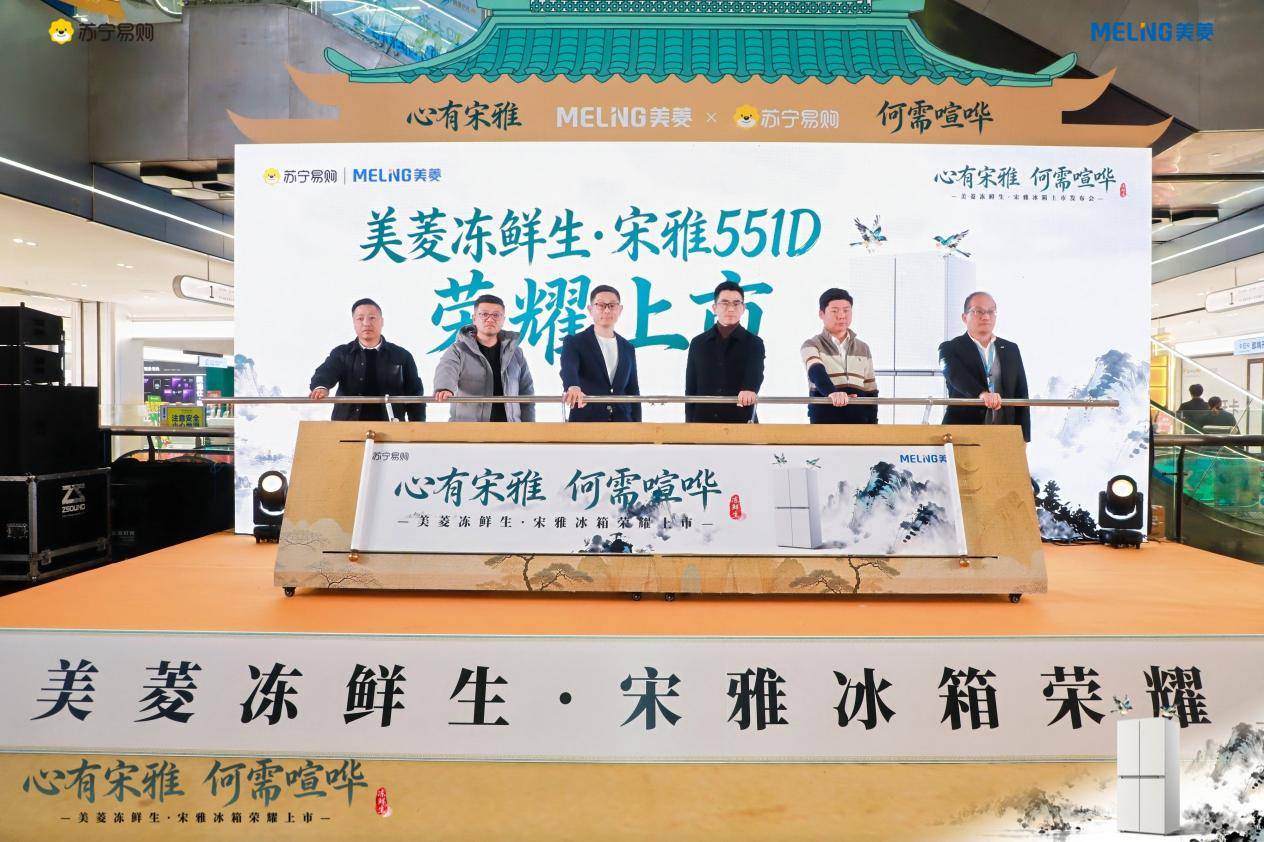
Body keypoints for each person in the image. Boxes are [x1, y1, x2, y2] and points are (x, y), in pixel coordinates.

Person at [308, 298, 424, 422]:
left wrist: (417, 427)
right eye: (360, 318)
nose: (366, 323)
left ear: (382, 321)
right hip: (347, 426)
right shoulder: (342, 353)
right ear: (354, 323)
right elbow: (326, 371)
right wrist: (321, 387)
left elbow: (415, 395)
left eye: (372, 318)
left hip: (391, 426)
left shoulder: (401, 355)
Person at [939, 291, 1030, 442]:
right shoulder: (949, 348)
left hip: (1004, 433)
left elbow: (1021, 392)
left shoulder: (1011, 349)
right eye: (978, 311)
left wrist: (1024, 437)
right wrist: (981, 394)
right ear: (964, 317)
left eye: (991, 311)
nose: (986, 316)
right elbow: (955, 375)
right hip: (962, 431)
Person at [433, 294, 534, 421]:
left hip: (510, 428)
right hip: (469, 428)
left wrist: (529, 427)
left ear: (503, 320)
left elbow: (526, 393)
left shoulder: (516, 353)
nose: (490, 319)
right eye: (484, 314)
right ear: (474, 318)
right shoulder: (459, 350)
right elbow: (447, 368)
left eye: (496, 315)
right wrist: (444, 388)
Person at [684, 280, 765, 423]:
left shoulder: (754, 343)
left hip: (740, 422)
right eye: (725, 303)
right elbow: (691, 388)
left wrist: (750, 389)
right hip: (702, 422)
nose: (731, 309)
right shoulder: (698, 343)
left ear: (743, 308)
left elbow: (755, 375)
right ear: (714, 308)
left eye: (736, 303)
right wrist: (689, 425)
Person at [559, 285, 641, 422]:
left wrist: (638, 427)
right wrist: (572, 386)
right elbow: (569, 368)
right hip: (586, 422)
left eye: (612, 305)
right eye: (601, 305)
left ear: (620, 309)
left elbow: (633, 390)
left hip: (623, 423)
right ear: (590, 309)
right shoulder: (575, 342)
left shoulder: (628, 348)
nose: (607, 310)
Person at [800, 288, 878, 424]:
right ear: (821, 314)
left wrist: (873, 425)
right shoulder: (812, 344)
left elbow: (871, 390)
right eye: (835, 311)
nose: (841, 316)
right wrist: (832, 393)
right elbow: (816, 371)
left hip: (860, 424)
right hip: (824, 423)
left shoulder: (863, 348)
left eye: (846, 310)